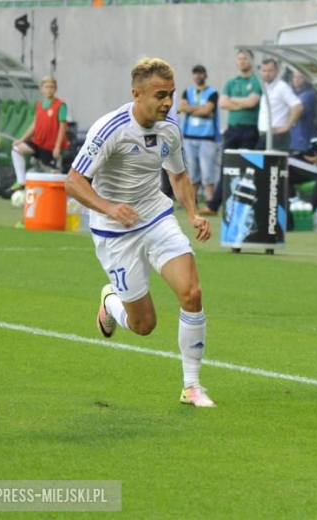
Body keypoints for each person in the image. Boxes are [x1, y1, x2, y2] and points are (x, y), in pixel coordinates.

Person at [65, 58, 215, 408]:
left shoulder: (170, 129)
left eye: (172, 95)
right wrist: (109, 207)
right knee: (144, 324)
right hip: (115, 231)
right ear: (137, 94)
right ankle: (110, 303)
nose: (167, 102)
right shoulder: (110, 129)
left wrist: (192, 214)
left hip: (156, 215)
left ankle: (191, 386)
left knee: (191, 293)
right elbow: (73, 181)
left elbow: (177, 175)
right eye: (160, 95)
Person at [199, 50, 262, 217]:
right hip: (232, 129)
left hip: (249, 129)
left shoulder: (257, 81)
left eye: (245, 59)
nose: (241, 61)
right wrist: (242, 103)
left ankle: (242, 207)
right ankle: (214, 206)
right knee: (226, 168)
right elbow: (222, 103)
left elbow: (252, 102)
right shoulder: (230, 82)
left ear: (251, 60)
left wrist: (234, 101)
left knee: (246, 169)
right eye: (239, 59)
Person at [11, 77, 69, 191]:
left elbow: (63, 127)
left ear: (55, 89)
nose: (49, 90)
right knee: (16, 149)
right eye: (46, 87)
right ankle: (21, 181)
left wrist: (57, 147)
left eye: (52, 87)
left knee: (55, 174)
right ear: (41, 89)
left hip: (50, 147)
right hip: (37, 142)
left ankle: (65, 197)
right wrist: (22, 139)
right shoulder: (39, 105)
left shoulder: (60, 105)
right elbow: (34, 125)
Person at [178, 64, 220, 203]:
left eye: (200, 73)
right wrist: (200, 109)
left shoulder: (212, 92)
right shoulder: (187, 92)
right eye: (195, 73)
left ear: (205, 75)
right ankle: (192, 200)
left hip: (207, 137)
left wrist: (192, 109)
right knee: (192, 172)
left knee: (207, 172)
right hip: (189, 137)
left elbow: (207, 111)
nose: (198, 76)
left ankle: (210, 201)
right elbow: (181, 107)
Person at [256, 58, 303, 151]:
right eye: (264, 71)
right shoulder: (265, 87)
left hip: (277, 136)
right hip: (264, 136)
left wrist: (288, 126)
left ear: (276, 71)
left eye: (270, 71)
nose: (267, 74)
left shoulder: (282, 87)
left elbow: (298, 106)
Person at [289, 69, 317, 151]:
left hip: (301, 138)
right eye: (295, 77)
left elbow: (298, 110)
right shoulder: (294, 94)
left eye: (300, 77)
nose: (296, 80)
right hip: (292, 138)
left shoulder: (308, 95)